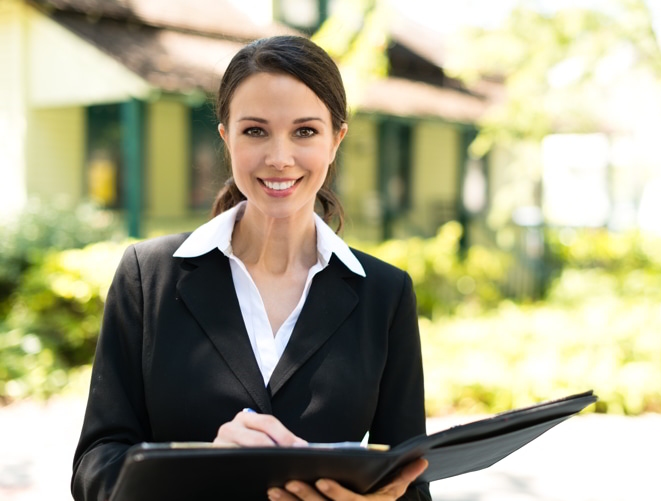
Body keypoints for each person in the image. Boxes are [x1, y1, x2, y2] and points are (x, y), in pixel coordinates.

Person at [71, 35, 430, 501]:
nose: (279, 157)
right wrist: (200, 469)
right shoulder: (148, 277)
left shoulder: (386, 293)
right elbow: (93, 468)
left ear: (335, 140)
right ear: (226, 136)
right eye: (255, 130)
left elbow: (411, 481)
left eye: (305, 131)